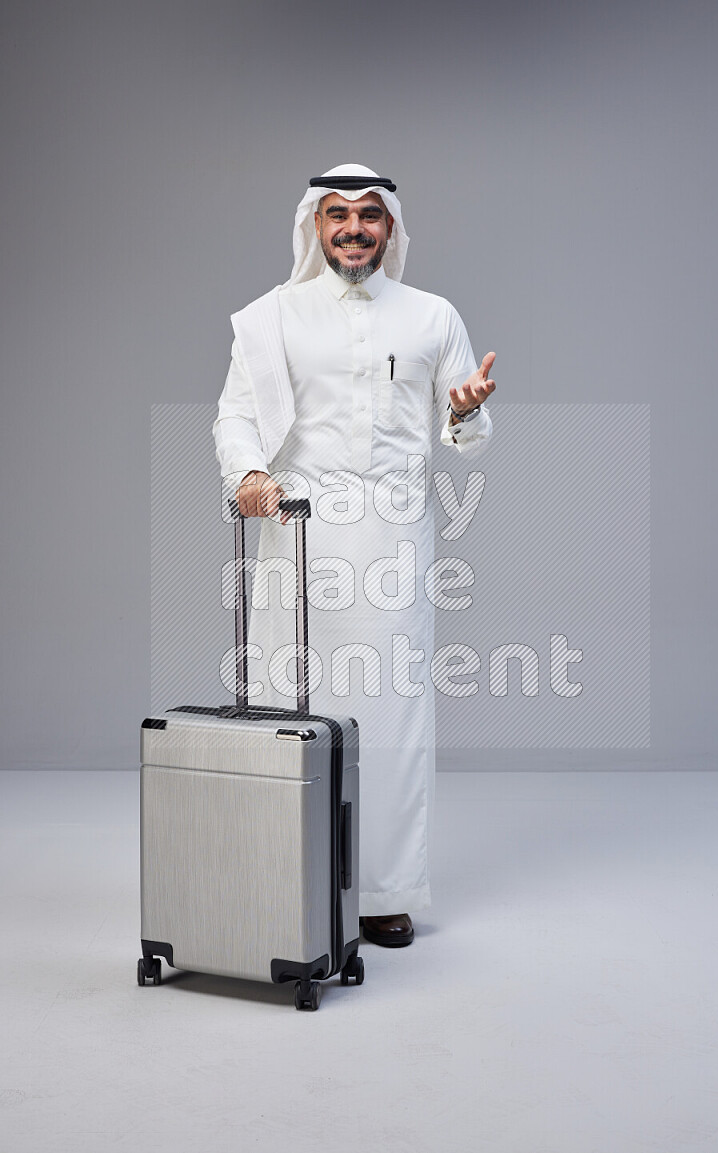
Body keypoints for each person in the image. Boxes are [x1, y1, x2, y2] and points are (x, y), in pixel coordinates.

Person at [213, 163, 496, 948]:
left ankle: (381, 892)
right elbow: (234, 417)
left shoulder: (432, 316)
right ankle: (283, 875)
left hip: (394, 543)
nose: (353, 228)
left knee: (391, 718)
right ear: (314, 224)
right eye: (337, 213)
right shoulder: (272, 317)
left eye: (369, 214)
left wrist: (466, 413)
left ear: (392, 227)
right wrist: (249, 473)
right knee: (287, 706)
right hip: (298, 534)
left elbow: (468, 436)